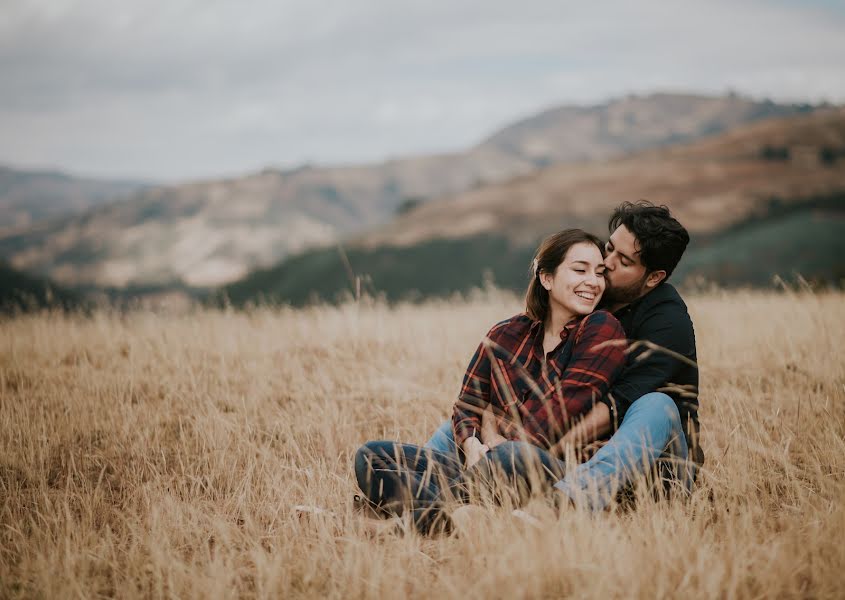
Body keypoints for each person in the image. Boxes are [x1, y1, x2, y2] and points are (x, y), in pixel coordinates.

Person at [426, 200, 703, 511]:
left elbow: (613, 408)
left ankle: (562, 504)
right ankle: (423, 492)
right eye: (608, 248)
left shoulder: (666, 322)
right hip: (568, 454)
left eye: (623, 261)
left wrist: (533, 454)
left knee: (657, 405)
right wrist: (489, 430)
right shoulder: (589, 298)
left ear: (653, 278)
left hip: (647, 465)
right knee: (458, 427)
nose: (607, 262)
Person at [354, 229, 627, 532]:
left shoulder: (602, 328)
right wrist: (473, 445)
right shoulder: (507, 334)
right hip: (485, 466)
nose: (594, 281)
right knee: (371, 457)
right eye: (580, 270)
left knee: (513, 454)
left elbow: (561, 412)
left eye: (600, 272)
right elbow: (467, 404)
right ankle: (464, 520)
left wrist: (496, 430)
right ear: (546, 278)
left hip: (551, 469)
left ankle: (401, 524)